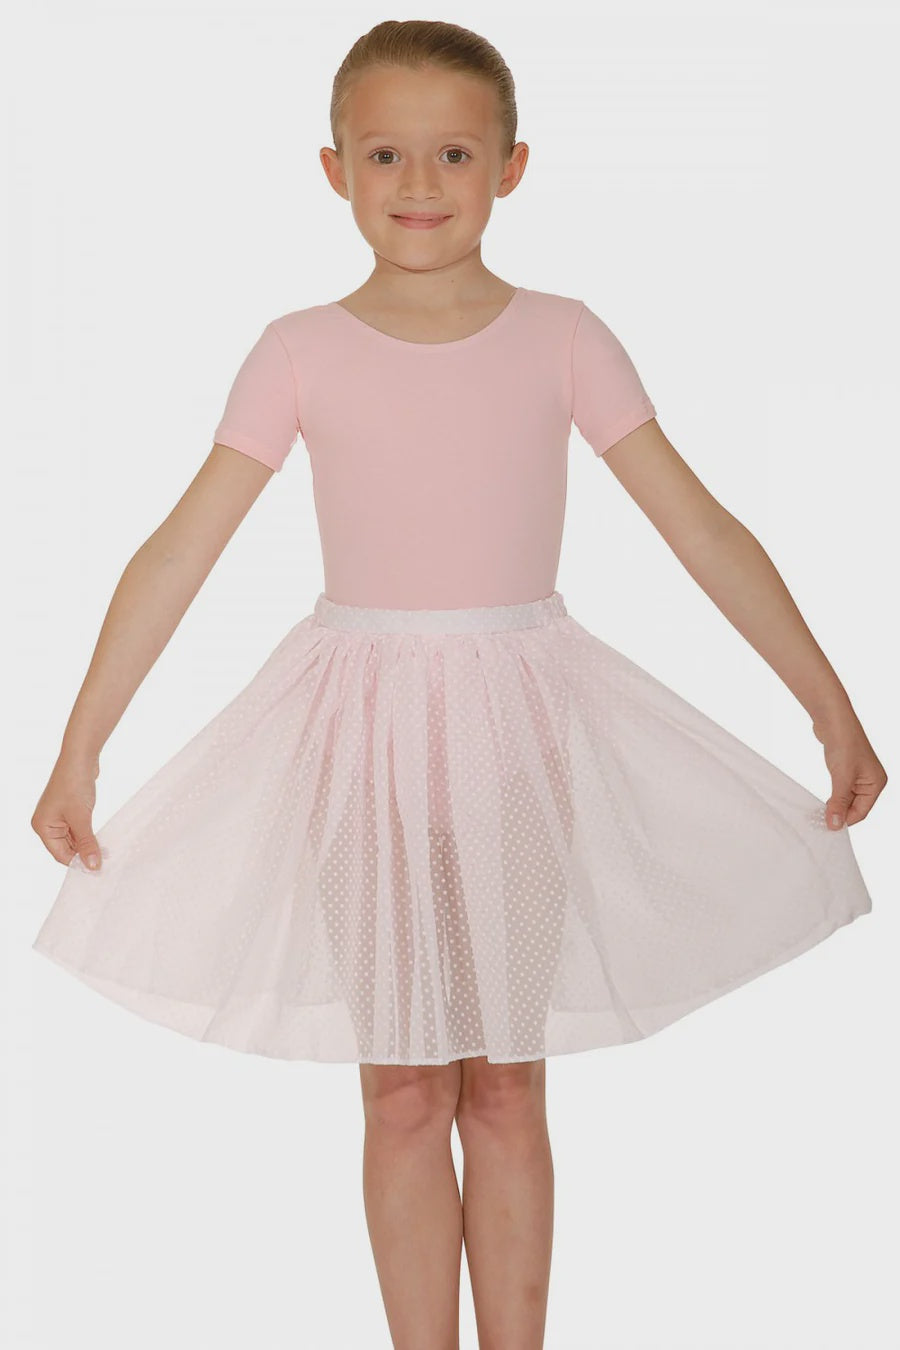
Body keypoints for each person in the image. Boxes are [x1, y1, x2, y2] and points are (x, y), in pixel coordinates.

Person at [30, 17, 885, 1350]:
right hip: (356, 742)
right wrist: (82, 743)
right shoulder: (298, 349)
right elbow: (180, 549)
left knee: (505, 1085)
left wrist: (827, 702)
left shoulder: (563, 337)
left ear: (511, 167)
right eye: (385, 154)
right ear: (334, 170)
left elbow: (703, 527)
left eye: (453, 154)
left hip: (518, 735)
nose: (418, 183)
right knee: (401, 1090)